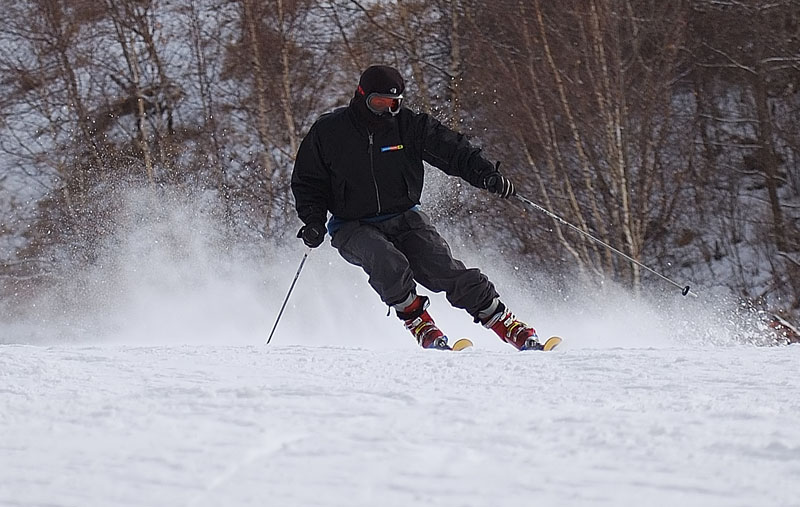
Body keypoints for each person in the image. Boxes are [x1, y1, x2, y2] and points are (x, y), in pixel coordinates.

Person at [291, 65, 542, 350]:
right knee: (386, 260)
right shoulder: (330, 131)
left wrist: (486, 175)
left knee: (443, 268)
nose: (386, 111)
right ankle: (418, 321)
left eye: (393, 104)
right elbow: (308, 181)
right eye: (379, 103)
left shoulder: (409, 126)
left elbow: (453, 150)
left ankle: (503, 321)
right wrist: (313, 221)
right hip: (352, 225)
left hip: (404, 216)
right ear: (362, 97)